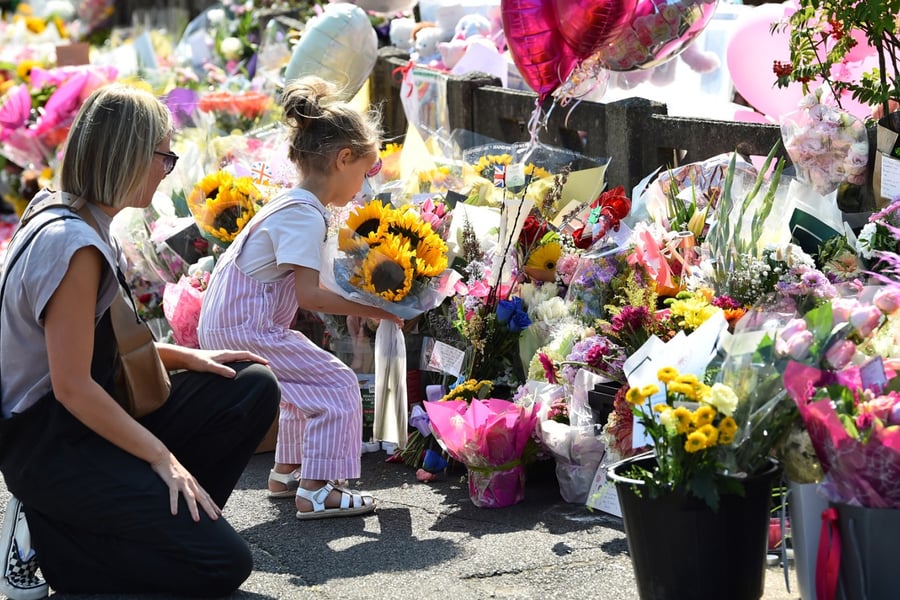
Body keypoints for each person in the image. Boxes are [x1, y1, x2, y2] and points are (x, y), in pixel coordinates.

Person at [0, 84, 281, 599]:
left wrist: (185, 354)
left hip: (80, 423)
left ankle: (150, 531)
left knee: (250, 384)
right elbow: (70, 387)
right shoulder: (74, 246)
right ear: (128, 154)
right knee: (222, 565)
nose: (167, 168)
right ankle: (51, 541)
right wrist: (160, 457)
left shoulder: (71, 211)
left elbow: (92, 346)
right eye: (164, 155)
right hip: (53, 445)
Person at [197, 76, 402, 520]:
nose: (366, 188)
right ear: (344, 158)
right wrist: (374, 308)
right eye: (367, 172)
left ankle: (287, 473)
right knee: (337, 384)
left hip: (236, 322)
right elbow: (312, 295)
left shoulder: (291, 204)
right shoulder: (305, 214)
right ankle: (319, 488)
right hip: (248, 327)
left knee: (300, 388)